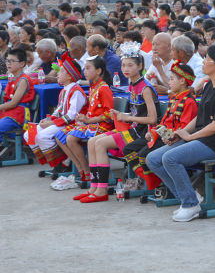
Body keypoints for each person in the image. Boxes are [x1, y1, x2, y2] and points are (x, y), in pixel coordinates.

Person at [147, 43, 215, 222]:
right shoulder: (209, 85)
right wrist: (181, 132)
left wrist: (190, 137)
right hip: (203, 136)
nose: (204, 61)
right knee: (153, 159)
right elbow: (200, 117)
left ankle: (190, 204)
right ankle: (189, 196)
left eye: (208, 59)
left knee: (170, 158)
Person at [78, 42, 158, 203]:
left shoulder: (146, 88)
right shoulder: (132, 85)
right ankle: (94, 186)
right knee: (93, 142)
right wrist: (122, 114)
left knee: (100, 144)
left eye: (130, 65)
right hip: (132, 128)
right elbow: (136, 112)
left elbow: (152, 119)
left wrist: (127, 117)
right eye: (123, 65)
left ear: (140, 65)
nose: (125, 69)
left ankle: (101, 190)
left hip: (142, 133)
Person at [124, 62, 198, 191]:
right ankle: (152, 181)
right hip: (163, 136)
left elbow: (184, 128)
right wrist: (152, 132)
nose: (168, 82)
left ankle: (158, 184)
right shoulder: (174, 99)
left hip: (174, 139)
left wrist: (167, 136)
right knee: (129, 149)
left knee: (144, 155)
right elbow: (163, 122)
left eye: (172, 79)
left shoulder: (189, 102)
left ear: (182, 81)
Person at [56, 56, 114, 187]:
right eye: (85, 68)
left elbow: (109, 115)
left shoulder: (103, 88)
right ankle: (80, 168)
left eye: (88, 68)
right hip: (92, 124)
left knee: (70, 138)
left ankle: (87, 171)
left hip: (102, 127)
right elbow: (92, 110)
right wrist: (83, 119)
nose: (85, 72)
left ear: (98, 71)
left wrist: (89, 120)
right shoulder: (93, 87)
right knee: (60, 136)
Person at [26, 53, 86, 172]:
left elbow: (71, 116)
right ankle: (54, 161)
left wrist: (51, 124)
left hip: (72, 124)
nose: (57, 74)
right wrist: (49, 120)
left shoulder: (76, 91)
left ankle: (64, 163)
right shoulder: (64, 90)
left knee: (42, 135)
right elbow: (59, 110)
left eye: (61, 71)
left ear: (69, 76)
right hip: (62, 122)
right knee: (29, 134)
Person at [0, 48, 35, 137]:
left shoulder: (23, 79)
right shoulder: (14, 78)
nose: (8, 63)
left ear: (22, 64)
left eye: (12, 61)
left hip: (18, 114)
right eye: (7, 60)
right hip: (9, 112)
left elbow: (13, 103)